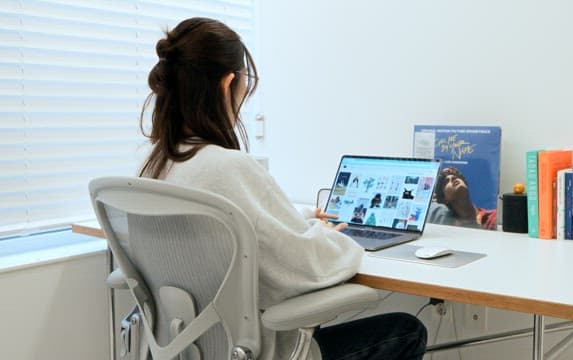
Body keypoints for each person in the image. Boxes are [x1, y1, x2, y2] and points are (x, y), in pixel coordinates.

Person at [138, 17, 426, 360]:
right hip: (260, 351)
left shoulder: (155, 167)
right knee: (407, 330)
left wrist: (299, 219)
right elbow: (309, 269)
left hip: (193, 348)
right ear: (228, 83)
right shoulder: (228, 167)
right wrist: (329, 236)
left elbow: (229, 232)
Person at [429, 167, 497, 230]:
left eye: (456, 176)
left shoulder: (494, 217)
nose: (453, 177)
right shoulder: (447, 227)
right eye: (446, 181)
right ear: (444, 198)